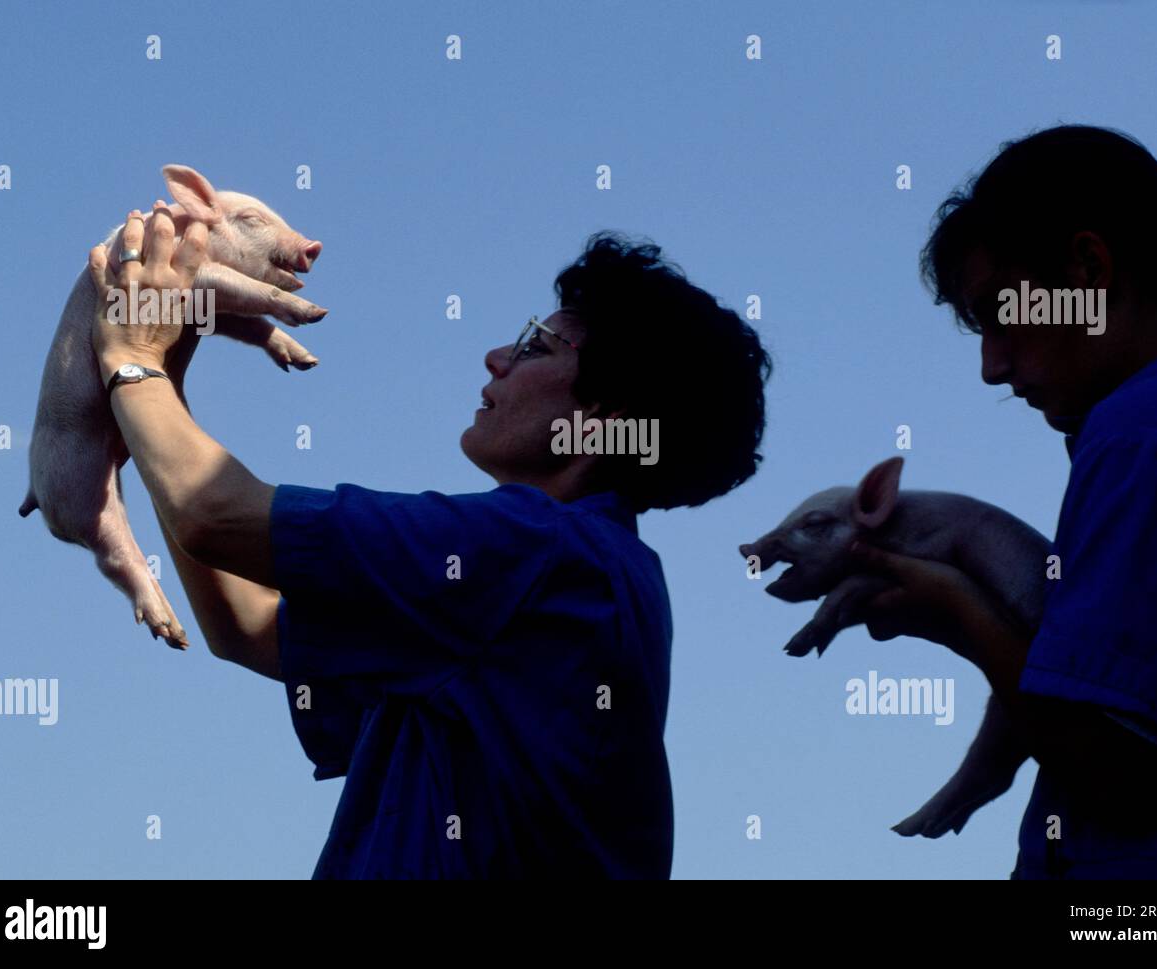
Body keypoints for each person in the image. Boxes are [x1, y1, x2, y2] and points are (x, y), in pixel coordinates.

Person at [87, 214, 771, 878]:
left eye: (535, 344)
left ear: (602, 421)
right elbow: (248, 626)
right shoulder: (573, 581)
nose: (497, 356)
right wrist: (159, 386)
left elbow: (211, 512)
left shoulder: (541, 551)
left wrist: (132, 360)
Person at [847, 125, 1157, 878]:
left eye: (1002, 312)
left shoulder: (1155, 436)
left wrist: (959, 613)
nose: (991, 366)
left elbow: (1122, 770)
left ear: (1089, 268)